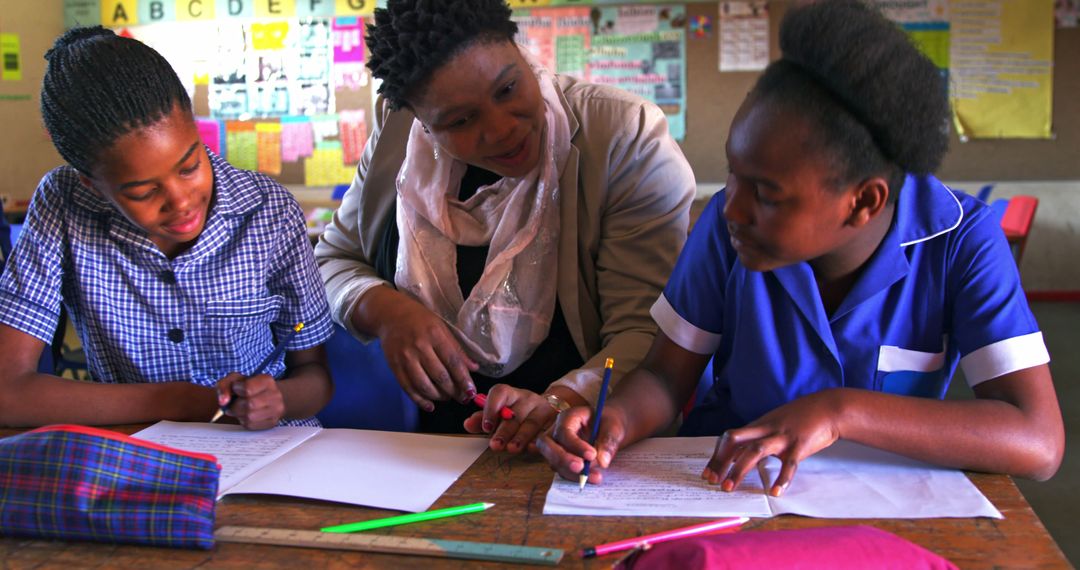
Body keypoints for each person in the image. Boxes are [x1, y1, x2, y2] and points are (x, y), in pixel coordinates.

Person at [540, 0, 1064, 493]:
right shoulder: (728, 231)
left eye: (765, 194)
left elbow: (1037, 440)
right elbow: (664, 376)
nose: (731, 207)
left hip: (879, 508)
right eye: (733, 174)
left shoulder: (959, 240)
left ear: (863, 202)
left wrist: (841, 412)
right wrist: (619, 418)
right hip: (724, 493)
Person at [315, 0, 695, 448]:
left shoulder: (622, 136)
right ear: (422, 122)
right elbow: (333, 258)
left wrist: (560, 402)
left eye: (508, 89)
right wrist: (388, 312)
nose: (500, 130)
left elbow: (646, 333)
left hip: (585, 439)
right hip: (435, 449)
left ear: (521, 52)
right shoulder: (398, 130)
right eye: (460, 120)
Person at [0, 27, 334, 430]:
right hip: (143, 455)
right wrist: (179, 400)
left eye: (190, 166)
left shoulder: (268, 210)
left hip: (266, 448)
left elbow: (315, 377)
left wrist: (278, 399)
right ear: (92, 183)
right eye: (143, 191)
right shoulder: (63, 202)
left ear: (194, 127)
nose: (180, 201)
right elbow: (8, 392)